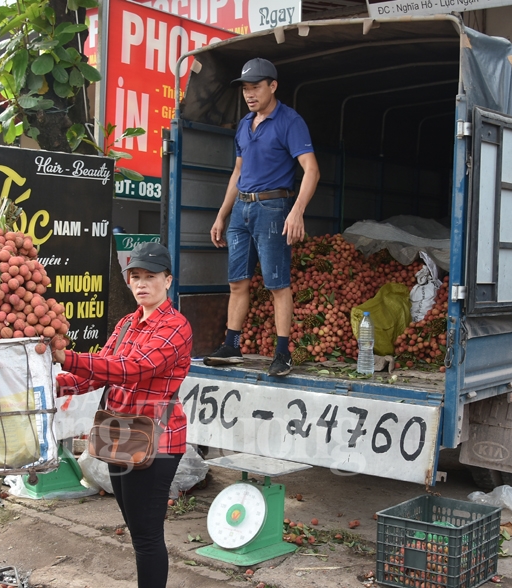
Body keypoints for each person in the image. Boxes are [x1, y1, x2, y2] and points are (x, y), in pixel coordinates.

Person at [52, 241, 192, 588]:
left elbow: (133, 369)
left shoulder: (176, 326)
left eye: (150, 276)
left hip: (157, 438)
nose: (141, 284)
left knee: (146, 535)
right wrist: (51, 387)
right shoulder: (128, 323)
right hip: (120, 433)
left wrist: (68, 357)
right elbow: (101, 372)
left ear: (168, 280)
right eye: (135, 277)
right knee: (136, 527)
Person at [206, 57, 320, 377]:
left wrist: (297, 211)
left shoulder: (290, 122)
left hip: (273, 208)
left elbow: (311, 170)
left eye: (256, 87)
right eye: (245, 88)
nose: (249, 94)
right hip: (242, 209)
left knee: (276, 284)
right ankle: (232, 345)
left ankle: (282, 353)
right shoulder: (244, 124)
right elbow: (238, 172)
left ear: (273, 86)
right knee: (238, 282)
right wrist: (221, 215)